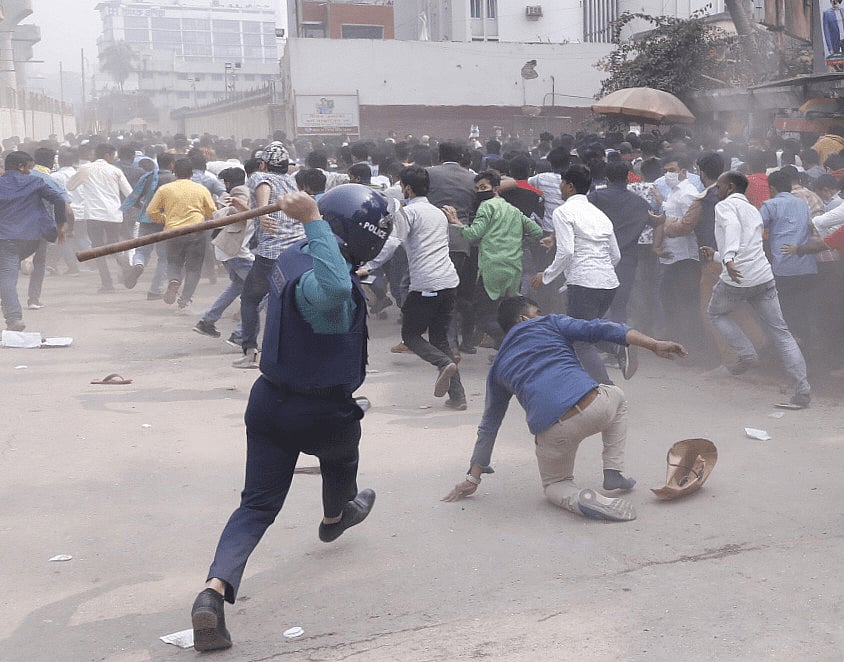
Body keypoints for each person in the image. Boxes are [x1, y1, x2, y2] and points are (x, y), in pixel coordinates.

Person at [190, 185, 392, 651]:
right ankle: (335, 516)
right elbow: (337, 288)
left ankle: (213, 593)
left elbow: (328, 263)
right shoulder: (327, 287)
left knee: (256, 506)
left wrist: (309, 223)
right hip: (324, 409)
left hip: (268, 402)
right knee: (341, 461)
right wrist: (315, 219)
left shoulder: (296, 255)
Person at [442, 295, 687, 521]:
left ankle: (580, 499)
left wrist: (472, 478)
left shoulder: (498, 367)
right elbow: (601, 328)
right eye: (537, 311)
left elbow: (489, 425)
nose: (541, 314)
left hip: (551, 430)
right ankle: (613, 470)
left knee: (555, 486)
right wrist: (652, 343)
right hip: (594, 405)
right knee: (619, 397)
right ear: (524, 318)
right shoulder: (550, 323)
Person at [358, 166, 466, 409]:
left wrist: (369, 267)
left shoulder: (408, 213)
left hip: (427, 283)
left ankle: (441, 364)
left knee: (411, 335)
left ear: (406, 188)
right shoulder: (438, 213)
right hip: (449, 282)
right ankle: (458, 398)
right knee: (439, 338)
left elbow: (392, 243)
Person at [706, 172, 811, 408]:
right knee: (782, 333)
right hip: (763, 276)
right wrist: (716, 255)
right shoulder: (754, 209)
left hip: (737, 277)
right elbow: (749, 244)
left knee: (716, 313)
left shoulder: (724, 206)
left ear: (730, 187)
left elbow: (732, 230)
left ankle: (746, 353)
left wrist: (729, 257)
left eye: (720, 186)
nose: (717, 190)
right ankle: (802, 391)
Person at [530, 164, 623, 384]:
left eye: (561, 183)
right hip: (608, 283)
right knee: (588, 332)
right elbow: (616, 255)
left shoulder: (563, 212)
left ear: (570, 186)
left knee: (581, 341)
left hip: (584, 283)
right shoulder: (600, 215)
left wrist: (546, 275)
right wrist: (601, 270)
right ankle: (616, 345)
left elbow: (567, 251)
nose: (559, 187)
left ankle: (606, 387)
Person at [447, 169, 542, 348]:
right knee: (506, 312)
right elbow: (536, 231)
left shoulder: (486, 207)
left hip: (492, 268)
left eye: (483, 187)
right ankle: (509, 350)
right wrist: (520, 242)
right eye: (477, 188)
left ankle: (514, 343)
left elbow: (472, 234)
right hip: (513, 268)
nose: (479, 191)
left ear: (496, 188)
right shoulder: (513, 209)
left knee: (483, 316)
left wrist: (456, 222)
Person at [234, 141, 302, 369]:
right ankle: (291, 352)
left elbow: (263, 191)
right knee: (286, 301)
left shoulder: (259, 177)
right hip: (296, 250)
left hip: (272, 252)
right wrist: (251, 211)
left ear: (263, 164)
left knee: (250, 299)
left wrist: (262, 212)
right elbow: (266, 211)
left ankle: (250, 351)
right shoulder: (292, 182)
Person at [0, 151, 68, 331]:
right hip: (32, 239)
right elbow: (59, 200)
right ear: (21, 167)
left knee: (7, 277)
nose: (30, 171)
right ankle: (10, 302)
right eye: (29, 167)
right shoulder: (36, 182)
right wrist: (61, 226)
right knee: (9, 274)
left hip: (6, 238)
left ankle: (14, 318)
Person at [146, 158, 217, 311]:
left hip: (173, 232)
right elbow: (211, 212)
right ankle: (184, 300)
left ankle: (174, 280)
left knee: (174, 263)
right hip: (196, 231)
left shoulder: (165, 189)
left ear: (174, 171)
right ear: (191, 172)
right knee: (194, 268)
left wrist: (165, 219)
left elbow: (151, 212)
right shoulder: (201, 189)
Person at [193, 168, 254, 340]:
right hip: (236, 251)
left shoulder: (237, 191)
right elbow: (237, 214)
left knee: (238, 286)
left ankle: (207, 322)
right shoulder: (240, 190)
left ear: (227, 182)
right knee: (263, 290)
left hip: (229, 249)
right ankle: (241, 334)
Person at [759, 171, 818, 346]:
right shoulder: (802, 203)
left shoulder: (770, 205)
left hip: (783, 268)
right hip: (807, 265)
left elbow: (756, 229)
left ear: (772, 188)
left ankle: (788, 357)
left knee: (785, 313)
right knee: (804, 312)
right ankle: (809, 354)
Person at [66, 143, 133, 293]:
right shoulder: (115, 170)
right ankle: (125, 264)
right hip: (114, 214)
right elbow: (129, 193)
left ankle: (107, 284)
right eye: (113, 156)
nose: (114, 158)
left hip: (94, 215)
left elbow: (70, 186)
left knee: (98, 249)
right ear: (107, 155)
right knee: (114, 244)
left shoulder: (85, 169)